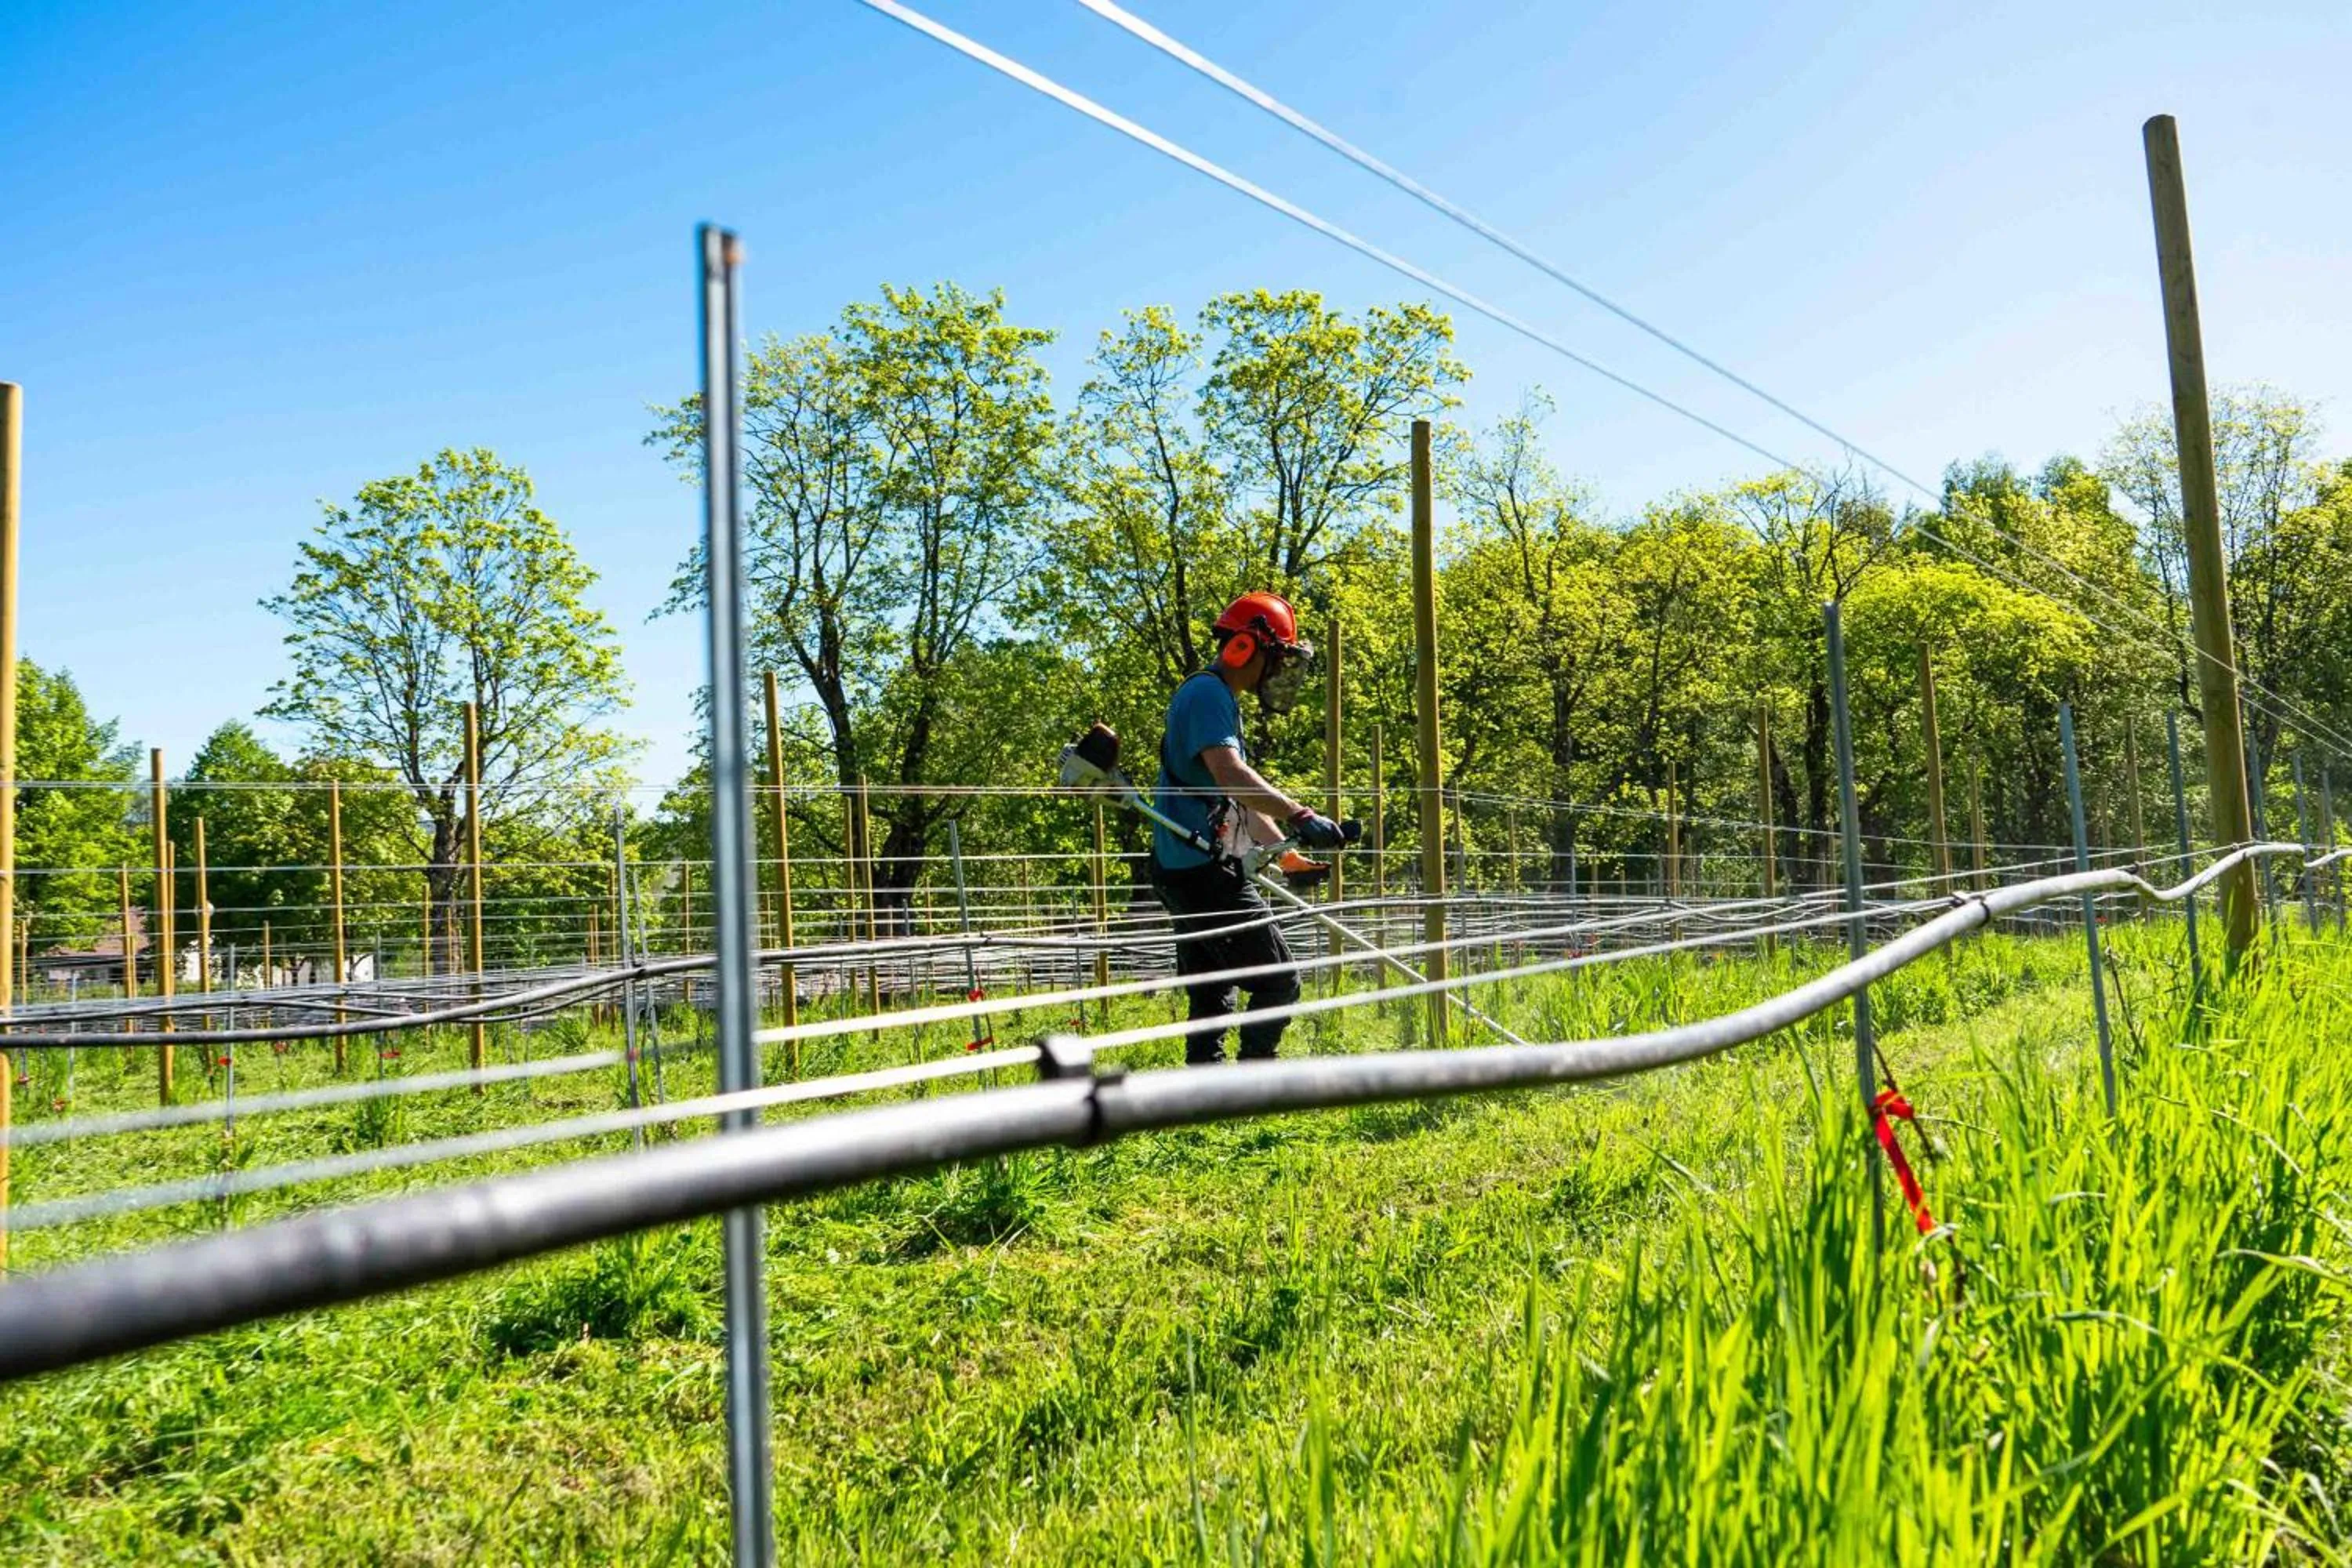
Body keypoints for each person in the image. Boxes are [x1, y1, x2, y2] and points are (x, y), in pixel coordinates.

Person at [1150, 592, 1355, 1065]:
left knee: (1211, 986)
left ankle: (1207, 1089)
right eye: (1277, 655)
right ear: (1246, 648)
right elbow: (1231, 775)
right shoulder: (1207, 694)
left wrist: (1285, 855)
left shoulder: (1217, 696)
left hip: (1186, 864)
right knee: (1280, 980)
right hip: (1201, 869)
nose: (1281, 669)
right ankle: (1255, 1080)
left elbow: (1235, 796)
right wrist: (1299, 814)